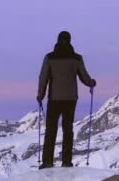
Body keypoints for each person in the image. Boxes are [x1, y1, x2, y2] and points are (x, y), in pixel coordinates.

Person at [37, 31, 96, 169]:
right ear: (70, 41)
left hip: (54, 98)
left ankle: (47, 162)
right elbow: (84, 77)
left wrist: (40, 95)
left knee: (51, 130)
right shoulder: (76, 58)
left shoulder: (50, 57)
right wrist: (91, 83)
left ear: (57, 40)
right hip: (71, 99)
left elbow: (43, 77)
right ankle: (67, 162)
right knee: (67, 129)